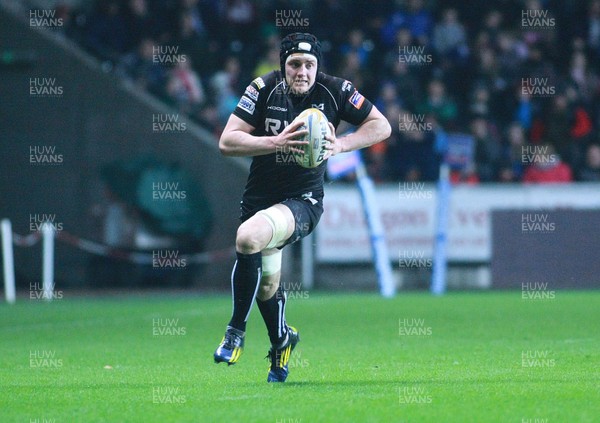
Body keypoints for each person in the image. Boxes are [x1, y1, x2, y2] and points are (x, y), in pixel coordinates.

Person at [213, 33, 391, 382]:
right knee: (266, 286)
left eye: (310, 65)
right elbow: (227, 140)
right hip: (259, 200)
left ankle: (235, 332)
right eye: (295, 64)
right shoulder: (263, 88)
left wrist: (340, 145)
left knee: (248, 238)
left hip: (303, 202)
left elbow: (380, 125)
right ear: (283, 66)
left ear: (317, 67)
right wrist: (275, 142)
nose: (303, 71)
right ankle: (283, 340)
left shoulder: (336, 90)